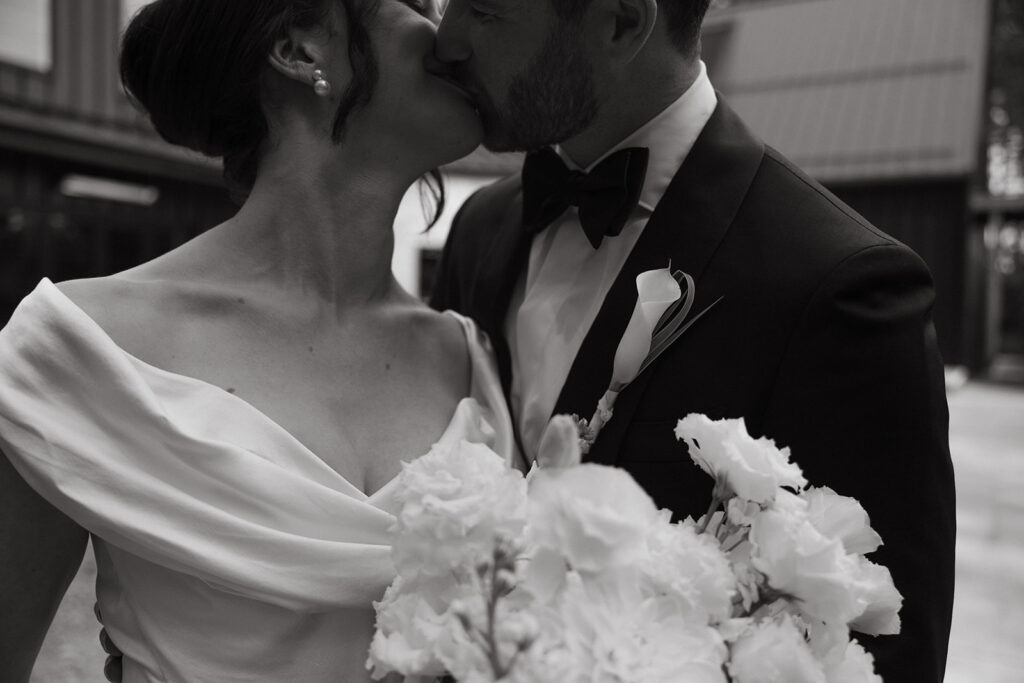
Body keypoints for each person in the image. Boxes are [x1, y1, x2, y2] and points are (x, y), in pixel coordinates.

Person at [428, 0, 955, 681]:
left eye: (483, 11)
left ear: (621, 21)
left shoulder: (840, 287)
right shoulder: (480, 229)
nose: (446, 42)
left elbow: (883, 655)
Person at [0, 0, 517, 681]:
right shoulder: (79, 347)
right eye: (419, 4)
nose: (452, 38)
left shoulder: (468, 356)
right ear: (302, 50)